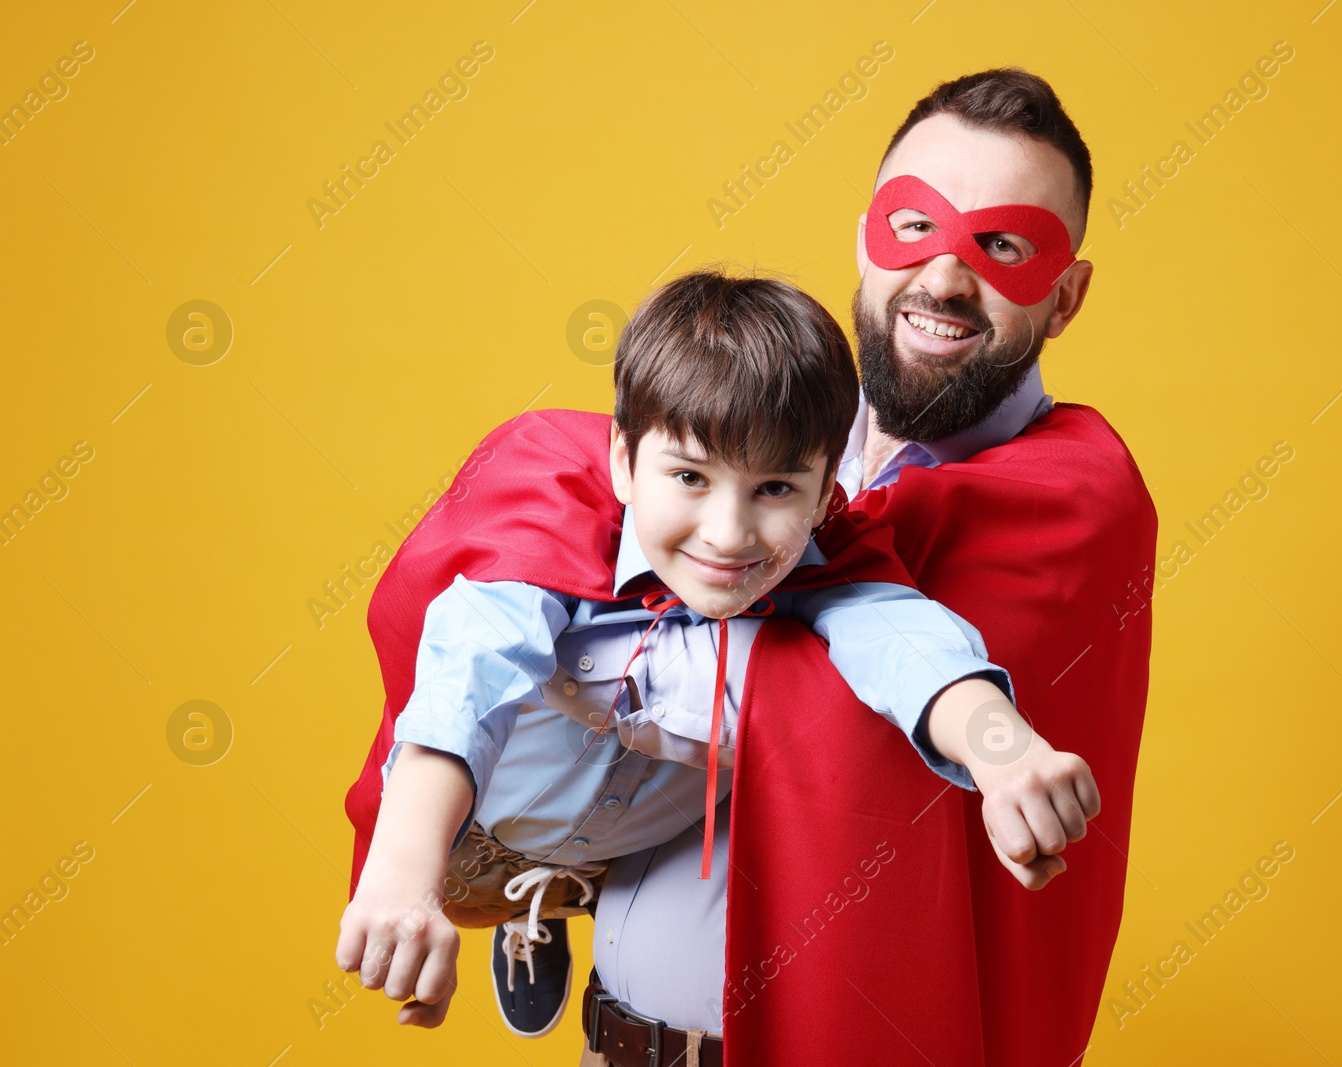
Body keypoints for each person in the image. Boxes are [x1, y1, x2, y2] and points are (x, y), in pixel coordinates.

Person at [335, 270, 1103, 1046]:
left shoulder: (825, 560)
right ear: (625, 462)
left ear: (827, 488)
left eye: (774, 487)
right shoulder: (544, 541)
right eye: (690, 478)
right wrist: (405, 876)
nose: (729, 534)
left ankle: (567, 894)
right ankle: (528, 912)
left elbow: (908, 640)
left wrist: (1003, 749)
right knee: (507, 712)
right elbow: (466, 682)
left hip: (619, 840)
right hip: (477, 829)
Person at [576, 69, 1158, 1066]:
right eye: (914, 227)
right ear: (863, 239)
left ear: (1065, 295)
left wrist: (569, 656)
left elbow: (831, 709)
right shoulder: (772, 440)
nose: (941, 279)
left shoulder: (1073, 500)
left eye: (1003, 246)